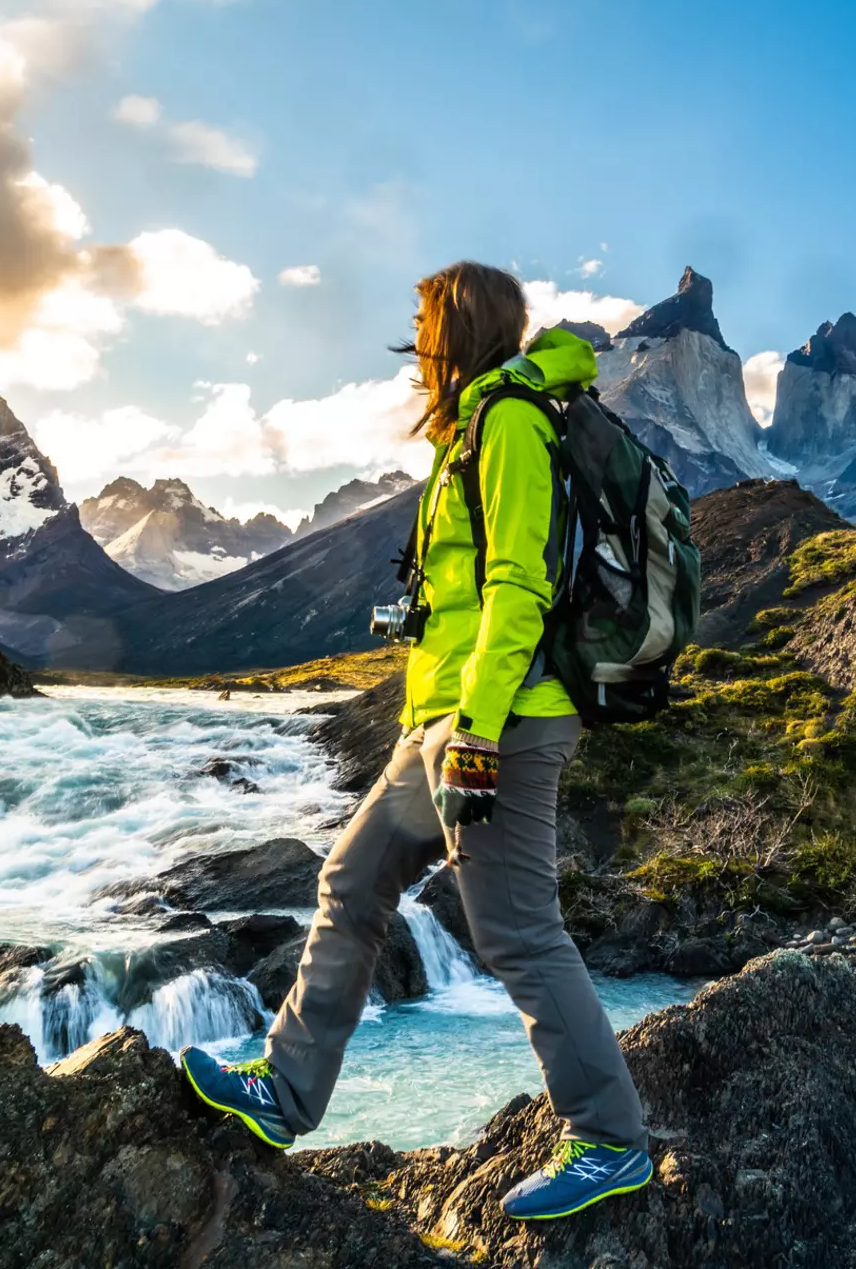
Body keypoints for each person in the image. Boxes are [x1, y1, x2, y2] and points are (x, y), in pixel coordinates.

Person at [180, 261, 652, 1221]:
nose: (416, 344)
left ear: (457, 328)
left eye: (425, 324)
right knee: (350, 886)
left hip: (501, 722)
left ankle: (610, 1141)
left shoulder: (512, 423)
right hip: (437, 722)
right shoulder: (474, 425)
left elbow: (520, 586)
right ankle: (285, 1090)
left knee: (517, 933)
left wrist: (475, 732)